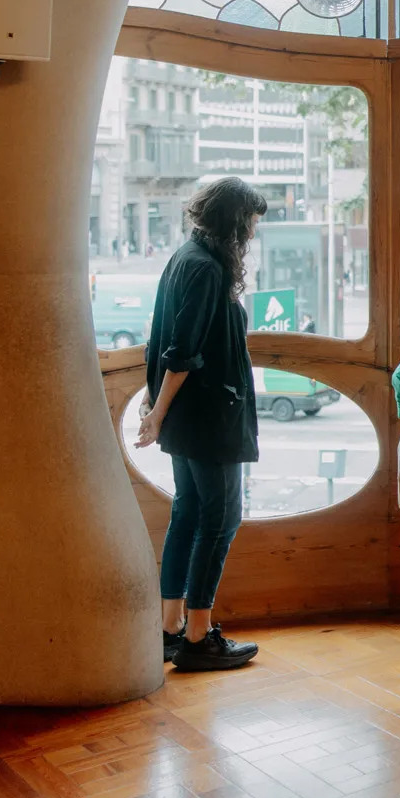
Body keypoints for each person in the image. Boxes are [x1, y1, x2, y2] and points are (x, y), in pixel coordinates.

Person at [135, 177, 269, 672]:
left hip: (189, 419)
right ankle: (197, 635)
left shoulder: (183, 258)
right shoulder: (207, 269)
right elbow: (183, 353)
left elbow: (160, 341)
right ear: (234, 222)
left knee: (189, 514)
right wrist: (156, 413)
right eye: (250, 223)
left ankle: (170, 628)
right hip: (207, 418)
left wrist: (157, 405)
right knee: (221, 519)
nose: (252, 234)